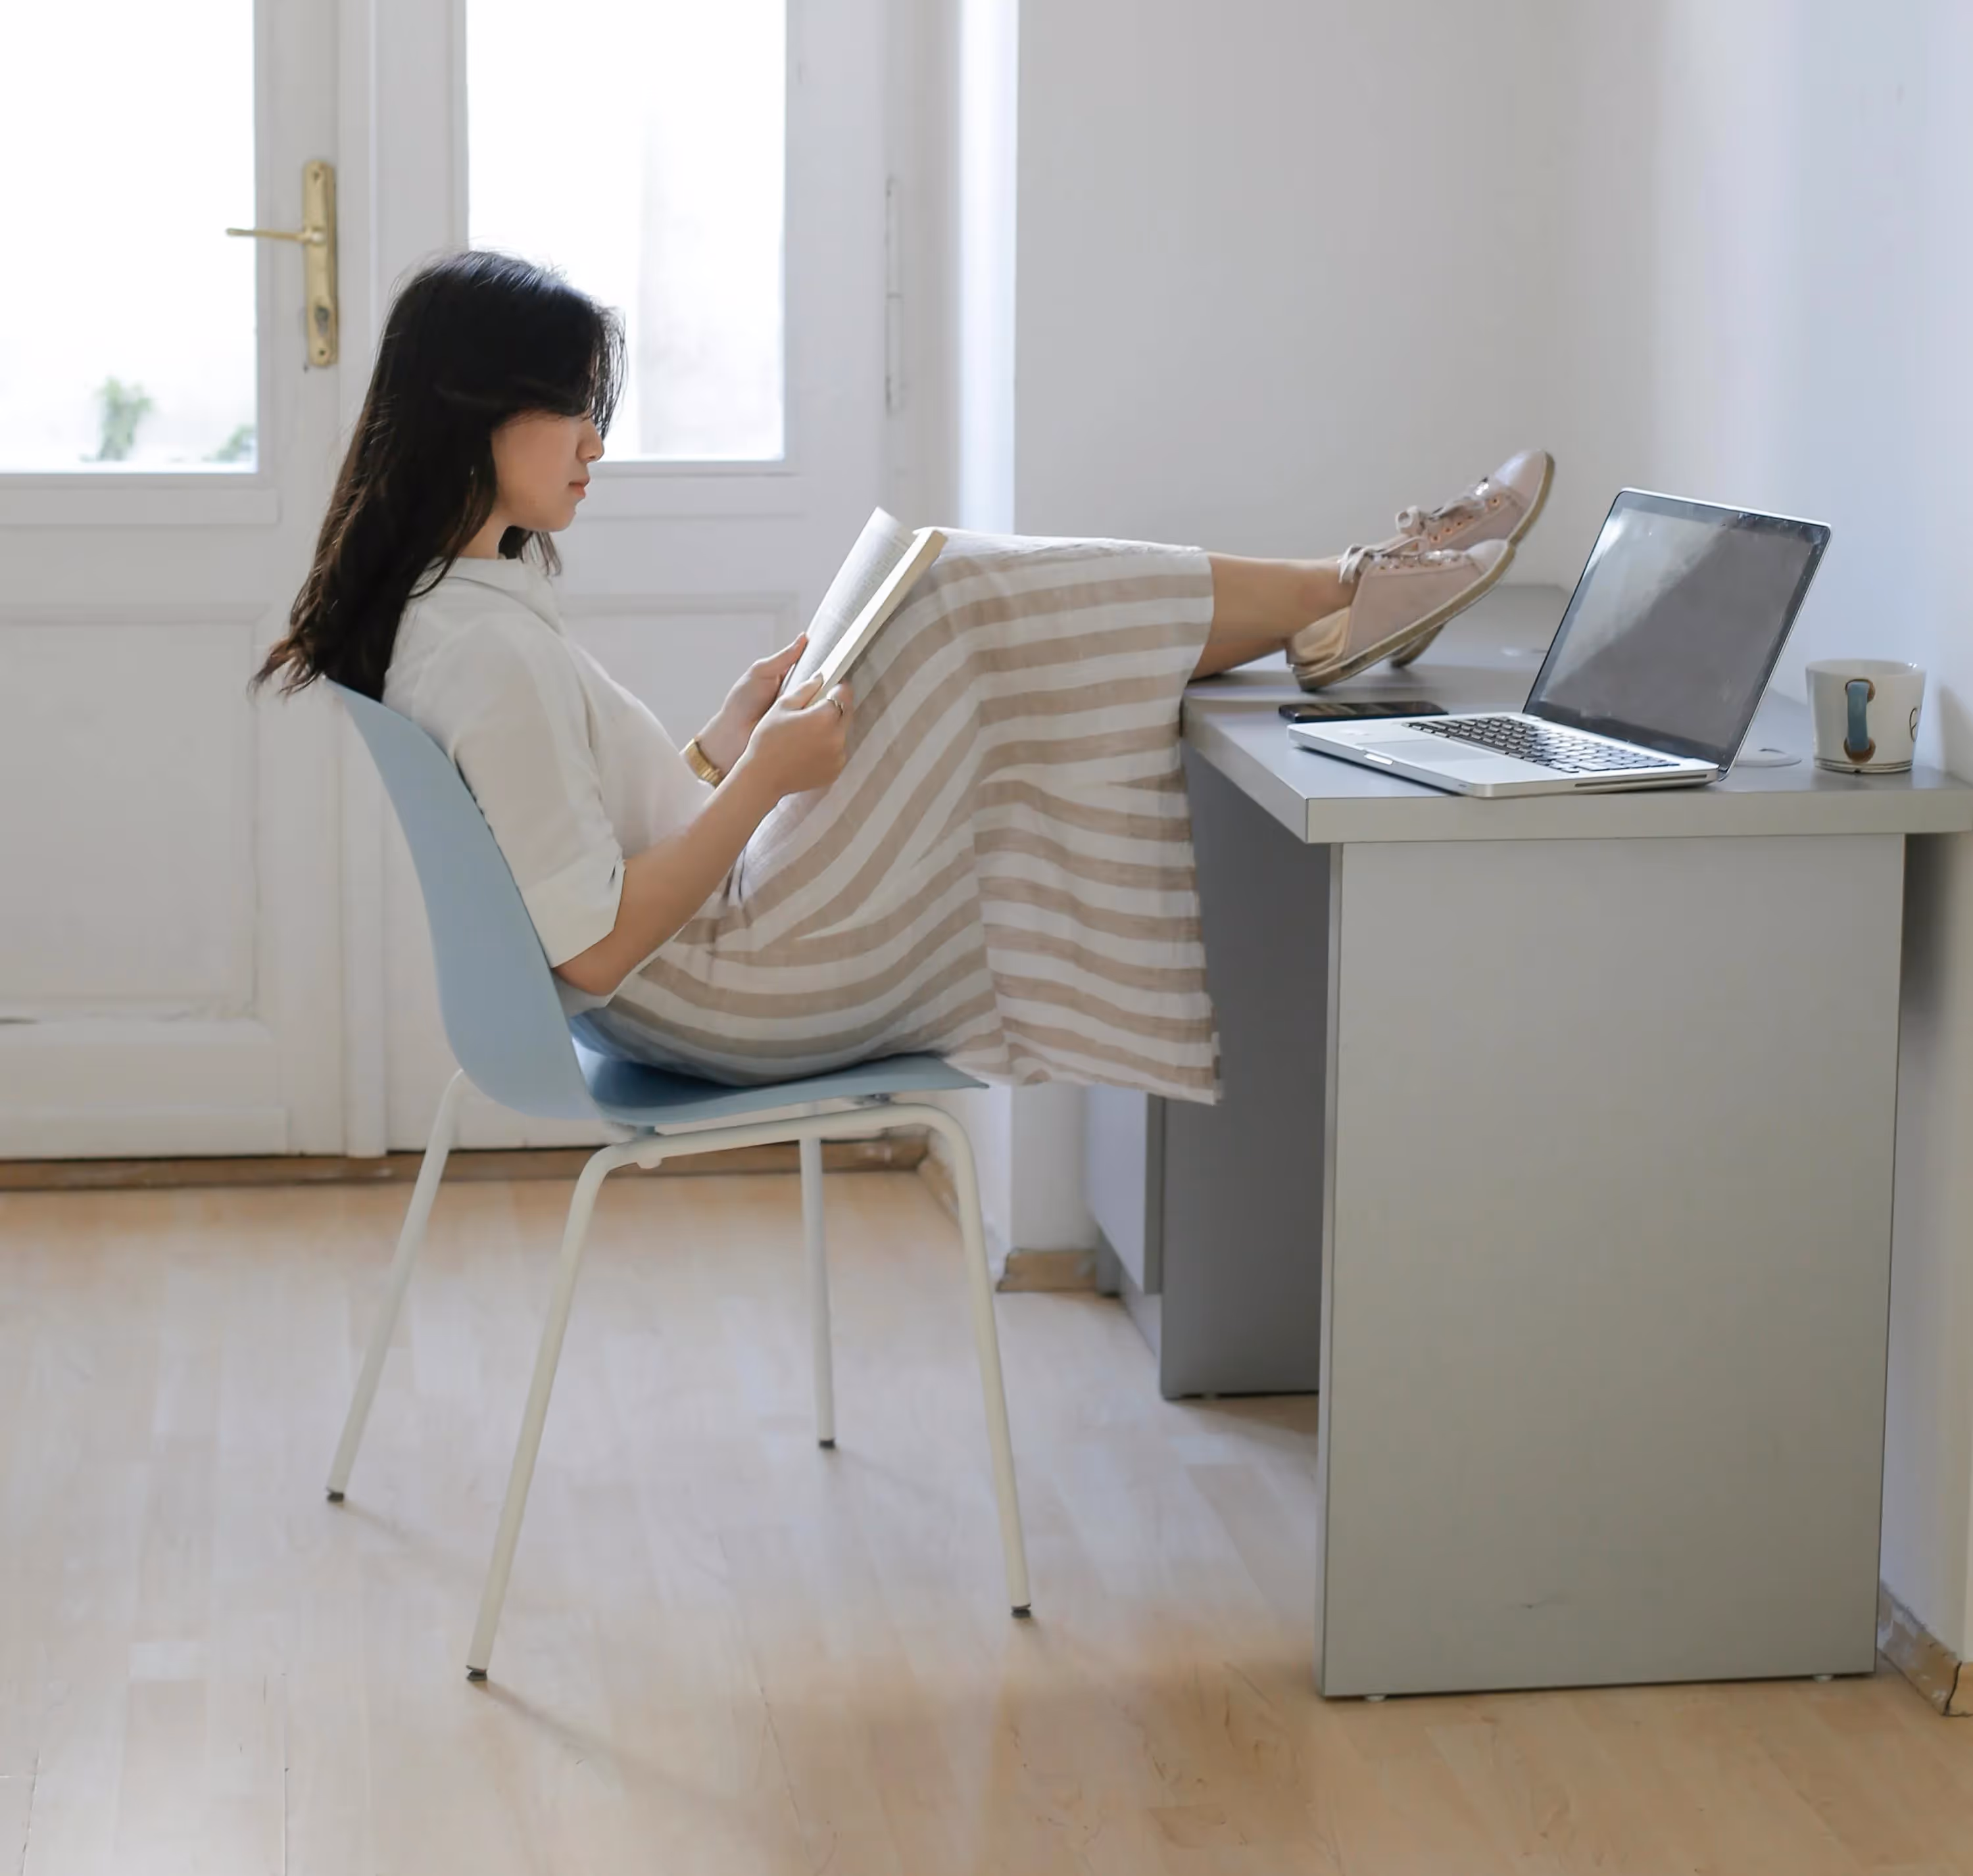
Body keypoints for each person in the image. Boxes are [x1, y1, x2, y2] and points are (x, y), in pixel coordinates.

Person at [252, 251, 1550, 1103]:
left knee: (933, 600)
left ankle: (1340, 593)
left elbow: (589, 852)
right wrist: (762, 780)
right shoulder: (482, 648)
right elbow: (593, 949)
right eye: (575, 407)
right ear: (474, 409)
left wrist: (720, 741)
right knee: (949, 597)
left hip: (708, 971)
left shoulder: (465, 604)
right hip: (725, 997)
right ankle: (1345, 587)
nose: (598, 440)